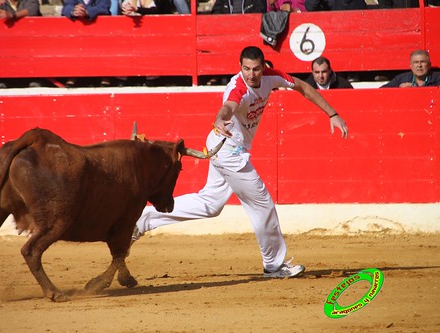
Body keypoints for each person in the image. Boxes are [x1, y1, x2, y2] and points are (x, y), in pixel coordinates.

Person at [131, 46, 349, 278]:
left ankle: (143, 220)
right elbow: (228, 107)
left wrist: (332, 113)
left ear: (263, 67)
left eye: (255, 69)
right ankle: (274, 266)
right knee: (262, 202)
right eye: (246, 69)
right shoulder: (237, 88)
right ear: (240, 67)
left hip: (226, 147)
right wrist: (219, 119)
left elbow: (303, 87)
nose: (251, 74)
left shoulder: (272, 77)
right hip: (228, 150)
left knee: (210, 204)